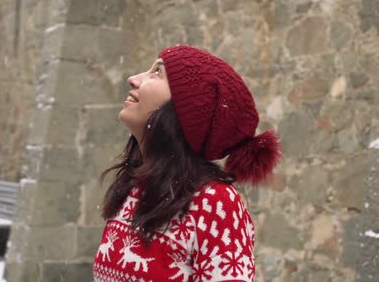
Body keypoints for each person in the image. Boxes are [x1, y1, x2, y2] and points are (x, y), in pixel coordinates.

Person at [93, 45, 281, 282]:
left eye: (157, 73)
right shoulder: (136, 185)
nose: (133, 79)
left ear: (184, 111)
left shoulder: (215, 203)